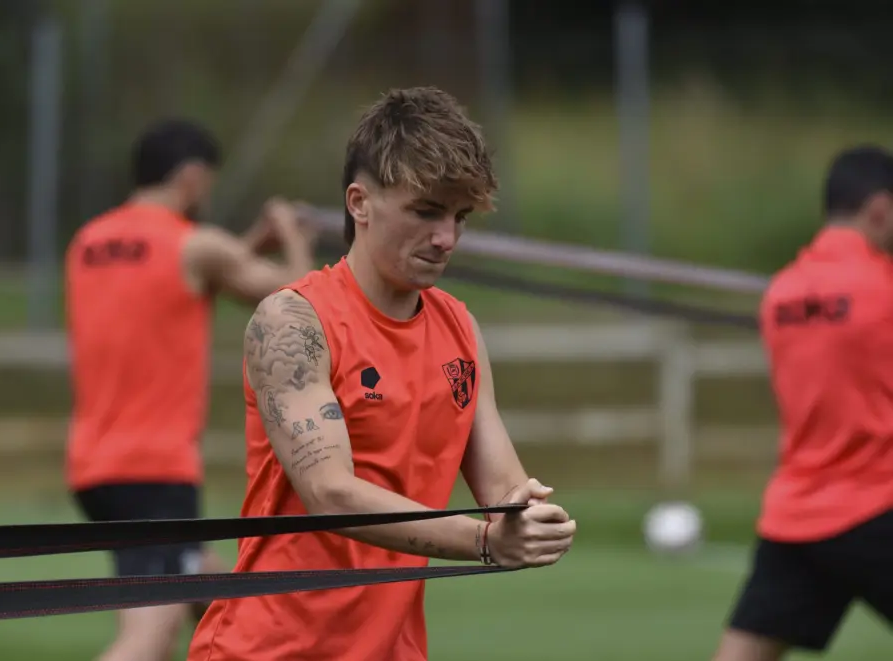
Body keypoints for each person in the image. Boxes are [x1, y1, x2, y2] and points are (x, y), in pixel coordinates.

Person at [186, 86, 578, 661]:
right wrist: (487, 541)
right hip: (269, 648)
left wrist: (529, 516)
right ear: (359, 203)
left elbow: (502, 493)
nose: (446, 238)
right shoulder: (294, 320)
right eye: (425, 211)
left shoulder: (460, 330)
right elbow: (330, 493)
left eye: (459, 217)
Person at [64, 117, 317, 661]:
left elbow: (180, 285)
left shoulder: (88, 242)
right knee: (147, 641)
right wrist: (294, 239)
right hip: (154, 470)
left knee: (210, 590)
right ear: (191, 176)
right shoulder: (195, 243)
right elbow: (300, 300)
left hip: (96, 468)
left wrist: (249, 243)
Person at [711, 144, 893, 661]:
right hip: (879, 504)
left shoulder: (782, 294)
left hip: (799, 511)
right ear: (879, 208)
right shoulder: (883, 286)